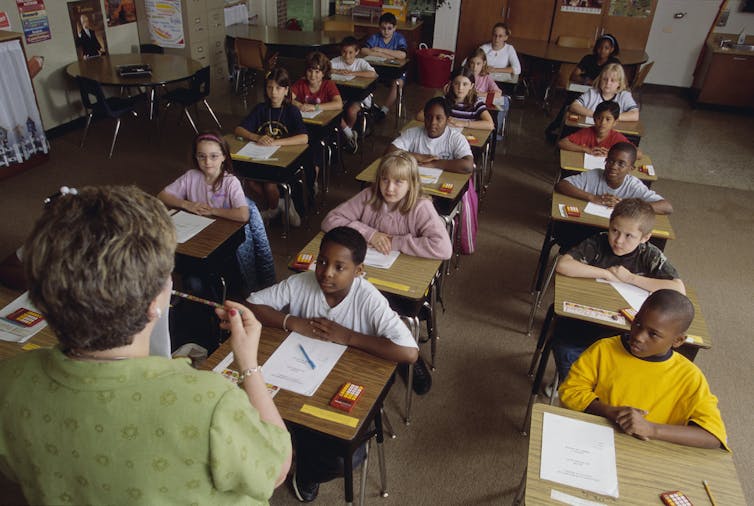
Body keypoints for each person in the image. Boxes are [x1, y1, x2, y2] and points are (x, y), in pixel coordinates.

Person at [0, 185, 292, 505]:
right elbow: (275, 469)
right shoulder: (209, 402)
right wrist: (249, 365)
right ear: (155, 303)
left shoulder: (10, 380)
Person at [246, 226, 421, 502]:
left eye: (340, 267)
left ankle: (304, 468)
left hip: (340, 381)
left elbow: (410, 352)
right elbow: (253, 304)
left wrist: (348, 336)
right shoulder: (302, 283)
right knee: (251, 411)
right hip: (297, 373)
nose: (326, 272)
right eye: (323, 262)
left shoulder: (368, 299)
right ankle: (293, 443)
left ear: (359, 271)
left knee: (343, 458)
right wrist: (291, 322)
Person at [559, 290, 729, 450]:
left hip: (650, 453)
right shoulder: (604, 349)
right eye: (638, 323)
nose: (639, 337)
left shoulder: (690, 376)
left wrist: (651, 429)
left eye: (653, 334)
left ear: (678, 340)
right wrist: (609, 411)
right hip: (596, 440)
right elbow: (570, 391)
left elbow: (713, 436)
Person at [551, 198, 685, 380]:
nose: (619, 240)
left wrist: (631, 278)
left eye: (629, 236)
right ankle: (572, 385)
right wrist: (606, 273)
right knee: (566, 347)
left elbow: (678, 289)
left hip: (624, 330)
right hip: (586, 320)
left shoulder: (648, 254)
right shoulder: (598, 242)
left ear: (645, 238)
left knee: (626, 363)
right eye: (614, 230)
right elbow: (563, 265)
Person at [158, 131, 275, 294]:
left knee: (203, 280)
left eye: (214, 156)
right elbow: (162, 195)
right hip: (198, 236)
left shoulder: (230, 182)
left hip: (225, 243)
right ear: (195, 157)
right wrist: (186, 204)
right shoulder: (191, 176)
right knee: (192, 278)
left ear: (224, 157)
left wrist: (213, 210)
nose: (207, 162)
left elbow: (243, 214)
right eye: (201, 156)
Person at [321, 150, 452, 260]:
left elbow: (443, 248)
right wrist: (370, 234)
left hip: (403, 267)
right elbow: (330, 220)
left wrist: (394, 242)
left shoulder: (421, 207)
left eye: (398, 182)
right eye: (385, 180)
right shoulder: (369, 195)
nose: (389, 188)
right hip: (369, 263)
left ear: (411, 184)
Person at [235, 67, 308, 225]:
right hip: (261, 159)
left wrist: (275, 142)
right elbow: (239, 129)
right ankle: (279, 204)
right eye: (269, 87)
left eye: (278, 88)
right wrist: (257, 137)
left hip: (283, 162)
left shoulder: (292, 111)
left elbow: (303, 138)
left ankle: (273, 208)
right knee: (250, 182)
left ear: (286, 90)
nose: (273, 92)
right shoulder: (261, 109)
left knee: (269, 184)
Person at [554, 142, 672, 214]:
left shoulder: (633, 185)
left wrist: (626, 205)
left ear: (631, 168)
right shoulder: (594, 175)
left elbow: (666, 207)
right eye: (610, 161)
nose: (613, 167)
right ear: (605, 161)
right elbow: (562, 185)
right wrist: (592, 197)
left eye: (621, 164)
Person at [291, 51, 342, 188]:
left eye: (317, 71)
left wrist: (316, 107)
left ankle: (313, 181)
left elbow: (338, 104)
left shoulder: (328, 85)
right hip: (305, 126)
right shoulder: (301, 83)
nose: (313, 75)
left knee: (316, 147)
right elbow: (287, 97)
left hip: (323, 129)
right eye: (310, 71)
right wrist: (299, 105)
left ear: (323, 73)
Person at [388, 97, 474, 174]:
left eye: (439, 118)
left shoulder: (455, 138)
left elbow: (468, 166)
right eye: (429, 117)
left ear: (447, 120)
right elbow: (390, 151)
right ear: (424, 118)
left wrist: (434, 164)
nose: (433, 123)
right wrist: (419, 157)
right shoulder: (412, 133)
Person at [330, 36, 378, 153]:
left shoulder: (360, 62)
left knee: (351, 111)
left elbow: (373, 74)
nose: (347, 56)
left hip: (358, 96)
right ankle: (350, 134)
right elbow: (325, 69)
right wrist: (338, 71)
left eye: (351, 52)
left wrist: (353, 73)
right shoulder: (336, 61)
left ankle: (348, 131)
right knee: (333, 112)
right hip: (341, 96)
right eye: (344, 52)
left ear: (357, 52)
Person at [360, 12, 408, 121]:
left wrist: (381, 50)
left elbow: (402, 55)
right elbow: (364, 50)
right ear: (379, 27)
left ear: (395, 28)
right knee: (365, 78)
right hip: (378, 69)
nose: (386, 31)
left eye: (389, 28)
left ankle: (384, 111)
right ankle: (371, 106)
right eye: (383, 28)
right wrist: (385, 55)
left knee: (397, 83)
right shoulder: (375, 37)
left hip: (396, 71)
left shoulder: (399, 38)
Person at [417, 67, 495, 131]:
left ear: (471, 86)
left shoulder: (476, 103)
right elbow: (420, 115)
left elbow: (490, 124)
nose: (460, 88)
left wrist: (463, 123)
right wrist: (443, 122)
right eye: (456, 83)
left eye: (465, 84)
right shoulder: (443, 101)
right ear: (451, 84)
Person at [558, 101, 640, 157]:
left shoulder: (617, 137)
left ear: (615, 122)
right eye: (599, 118)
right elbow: (562, 143)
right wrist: (586, 150)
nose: (603, 123)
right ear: (594, 119)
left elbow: (638, 154)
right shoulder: (587, 132)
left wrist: (613, 154)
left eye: (608, 119)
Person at [569, 63, 639, 121]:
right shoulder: (592, 93)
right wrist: (596, 115)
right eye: (605, 79)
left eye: (613, 80)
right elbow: (574, 106)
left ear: (619, 83)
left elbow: (635, 115)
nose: (608, 83)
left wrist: (610, 118)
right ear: (600, 80)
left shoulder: (624, 96)